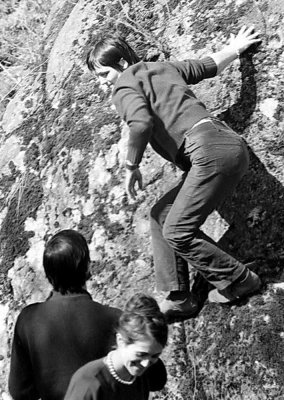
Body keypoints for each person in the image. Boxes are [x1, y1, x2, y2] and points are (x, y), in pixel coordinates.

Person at [86, 26, 262, 322]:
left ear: (123, 65)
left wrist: (132, 166)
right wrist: (236, 48)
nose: (103, 84)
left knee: (177, 231)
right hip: (226, 144)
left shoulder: (125, 84)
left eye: (104, 75)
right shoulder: (162, 68)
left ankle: (240, 280)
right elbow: (207, 66)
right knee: (161, 215)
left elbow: (140, 125)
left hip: (205, 152)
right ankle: (179, 297)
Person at [9, 229, 121, 400]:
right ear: (87, 268)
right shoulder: (114, 318)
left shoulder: (28, 319)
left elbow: (19, 391)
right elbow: (156, 379)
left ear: (47, 273)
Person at [64, 293, 168, 400]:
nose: (146, 363)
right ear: (121, 341)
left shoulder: (140, 376)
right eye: (141, 354)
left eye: (155, 356)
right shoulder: (89, 382)